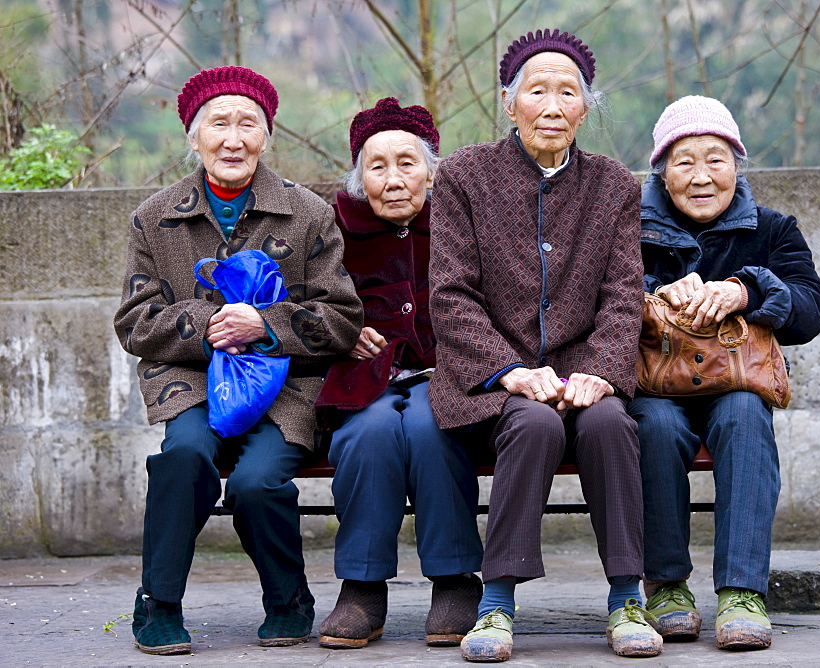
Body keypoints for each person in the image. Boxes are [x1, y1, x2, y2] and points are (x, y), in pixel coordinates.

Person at [428, 29, 662, 662]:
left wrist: (601, 373)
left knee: (611, 421)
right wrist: (508, 369)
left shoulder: (613, 185)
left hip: (583, 372)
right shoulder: (462, 177)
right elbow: (450, 295)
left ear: (586, 108)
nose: (553, 105)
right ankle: (497, 602)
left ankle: (627, 597)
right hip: (490, 383)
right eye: (538, 91)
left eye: (569, 92)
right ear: (510, 104)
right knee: (532, 424)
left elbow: (622, 294)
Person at [114, 66, 364, 655]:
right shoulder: (155, 216)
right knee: (184, 456)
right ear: (193, 138)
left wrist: (265, 324)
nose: (233, 138)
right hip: (194, 383)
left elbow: (342, 317)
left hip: (285, 390)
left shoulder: (306, 213)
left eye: (248, 124)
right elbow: (134, 321)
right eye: (218, 124)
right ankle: (159, 604)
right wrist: (209, 326)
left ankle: (287, 600)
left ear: (267, 136)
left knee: (256, 482)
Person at [627, 95, 820, 651]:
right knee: (657, 426)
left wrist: (748, 289)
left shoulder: (773, 230)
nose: (700, 176)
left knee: (744, 414)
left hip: (736, 383)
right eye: (684, 161)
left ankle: (743, 592)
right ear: (661, 170)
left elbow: (812, 308)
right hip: (655, 386)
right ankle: (666, 586)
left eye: (715, 159)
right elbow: (598, 302)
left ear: (737, 165)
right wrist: (655, 297)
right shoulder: (628, 228)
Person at [313, 97, 484, 649]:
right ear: (359, 177)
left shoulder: (462, 224)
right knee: (371, 431)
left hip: (450, 377)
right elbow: (305, 305)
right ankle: (362, 585)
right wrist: (342, 331)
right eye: (376, 165)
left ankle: (455, 578)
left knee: (433, 429)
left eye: (407, 163)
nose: (392, 179)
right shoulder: (331, 231)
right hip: (364, 381)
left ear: (432, 171)